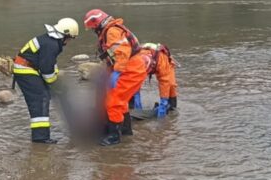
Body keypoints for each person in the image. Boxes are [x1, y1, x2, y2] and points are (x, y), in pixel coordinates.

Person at [83, 9, 145, 146]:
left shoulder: (112, 32)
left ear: (97, 24)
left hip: (130, 70)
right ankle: (126, 130)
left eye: (93, 28)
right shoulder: (111, 29)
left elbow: (122, 52)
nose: (93, 31)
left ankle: (114, 136)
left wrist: (117, 72)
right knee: (120, 100)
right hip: (130, 68)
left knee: (113, 101)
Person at [13, 18, 79, 144]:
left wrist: (56, 80)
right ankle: (40, 137)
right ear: (65, 35)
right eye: (71, 38)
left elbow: (51, 63)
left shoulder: (50, 41)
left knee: (46, 95)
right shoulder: (51, 45)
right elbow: (47, 71)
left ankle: (46, 133)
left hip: (29, 68)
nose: (69, 41)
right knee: (41, 98)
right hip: (25, 70)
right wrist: (54, 83)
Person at [137, 43, 178, 117]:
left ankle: (171, 108)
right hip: (146, 60)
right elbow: (134, 81)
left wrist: (163, 102)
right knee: (134, 88)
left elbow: (164, 82)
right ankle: (136, 107)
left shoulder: (161, 60)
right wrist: (138, 110)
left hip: (166, 63)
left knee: (171, 85)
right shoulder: (136, 59)